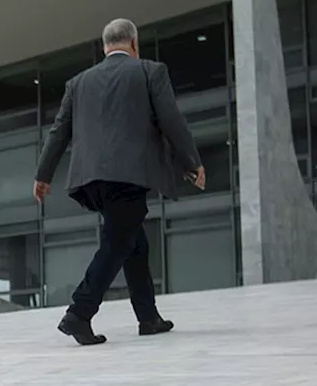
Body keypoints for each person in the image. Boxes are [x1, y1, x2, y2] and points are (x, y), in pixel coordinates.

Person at [34, 19, 204, 346]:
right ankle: (79, 314)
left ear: (105, 47)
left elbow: (58, 132)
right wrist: (191, 161)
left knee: (133, 241)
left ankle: (148, 317)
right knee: (118, 242)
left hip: (90, 180)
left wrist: (43, 174)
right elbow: (171, 120)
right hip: (128, 174)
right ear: (134, 44)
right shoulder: (150, 72)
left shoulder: (78, 82)